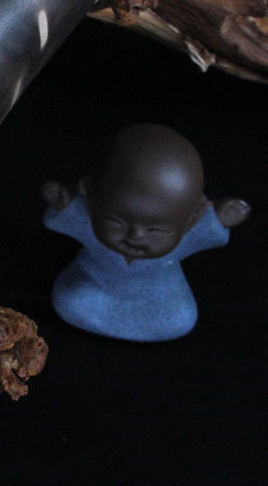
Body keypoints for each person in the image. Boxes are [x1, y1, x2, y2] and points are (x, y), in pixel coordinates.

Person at [42, 124, 250, 341]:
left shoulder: (185, 236)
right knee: (71, 300)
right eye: (117, 222)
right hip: (95, 282)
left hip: (159, 293)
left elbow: (206, 231)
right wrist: (65, 204)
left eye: (156, 229)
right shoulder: (90, 222)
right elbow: (70, 218)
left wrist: (218, 219)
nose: (135, 236)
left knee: (180, 318)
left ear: (192, 218)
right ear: (90, 198)